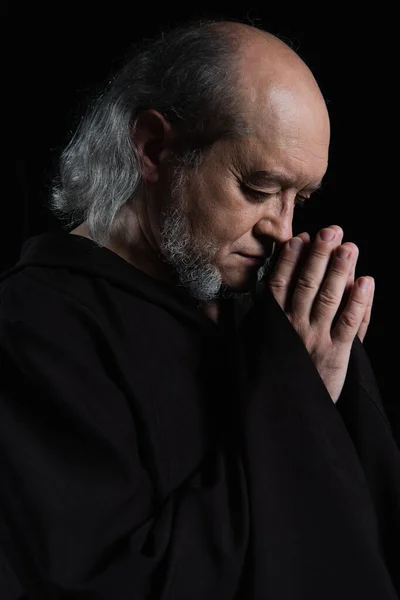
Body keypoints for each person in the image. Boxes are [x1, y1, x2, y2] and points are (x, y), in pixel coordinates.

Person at [0, 18, 399, 600]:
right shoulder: (31, 327)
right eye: (260, 190)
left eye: (301, 199)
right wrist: (296, 397)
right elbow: (110, 582)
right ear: (154, 148)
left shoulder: (270, 314)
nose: (282, 229)